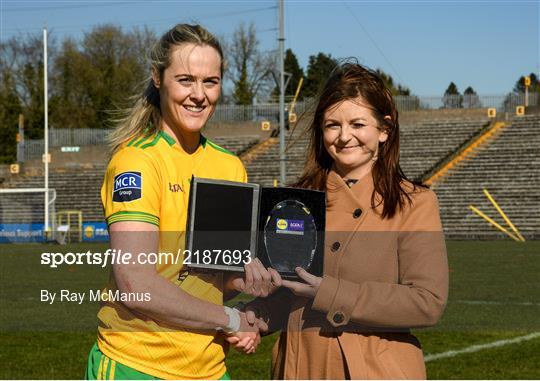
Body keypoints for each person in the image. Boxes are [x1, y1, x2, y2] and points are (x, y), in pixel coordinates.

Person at [85, 24, 275, 380]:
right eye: (186, 79)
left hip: (209, 368)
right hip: (138, 365)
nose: (199, 95)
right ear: (158, 79)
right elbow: (136, 283)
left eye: (210, 81)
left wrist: (252, 284)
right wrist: (231, 320)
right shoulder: (136, 163)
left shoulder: (230, 167)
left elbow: (214, 278)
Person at [244, 62, 449, 379]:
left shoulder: (415, 203)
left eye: (357, 124)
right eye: (332, 125)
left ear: (384, 130)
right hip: (300, 367)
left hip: (372, 370)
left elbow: (427, 302)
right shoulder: (295, 200)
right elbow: (290, 290)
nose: (344, 136)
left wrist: (331, 293)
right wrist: (257, 314)